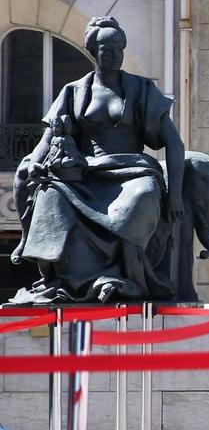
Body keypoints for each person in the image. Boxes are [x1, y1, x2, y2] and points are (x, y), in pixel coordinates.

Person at [11, 16, 185, 303]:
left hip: (133, 170)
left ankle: (129, 278)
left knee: (144, 195)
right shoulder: (74, 91)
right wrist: (33, 162)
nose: (115, 54)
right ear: (94, 52)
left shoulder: (142, 89)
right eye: (107, 48)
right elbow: (49, 137)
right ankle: (77, 280)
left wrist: (175, 193)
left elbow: (173, 144)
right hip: (88, 171)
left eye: (119, 48)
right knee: (52, 196)